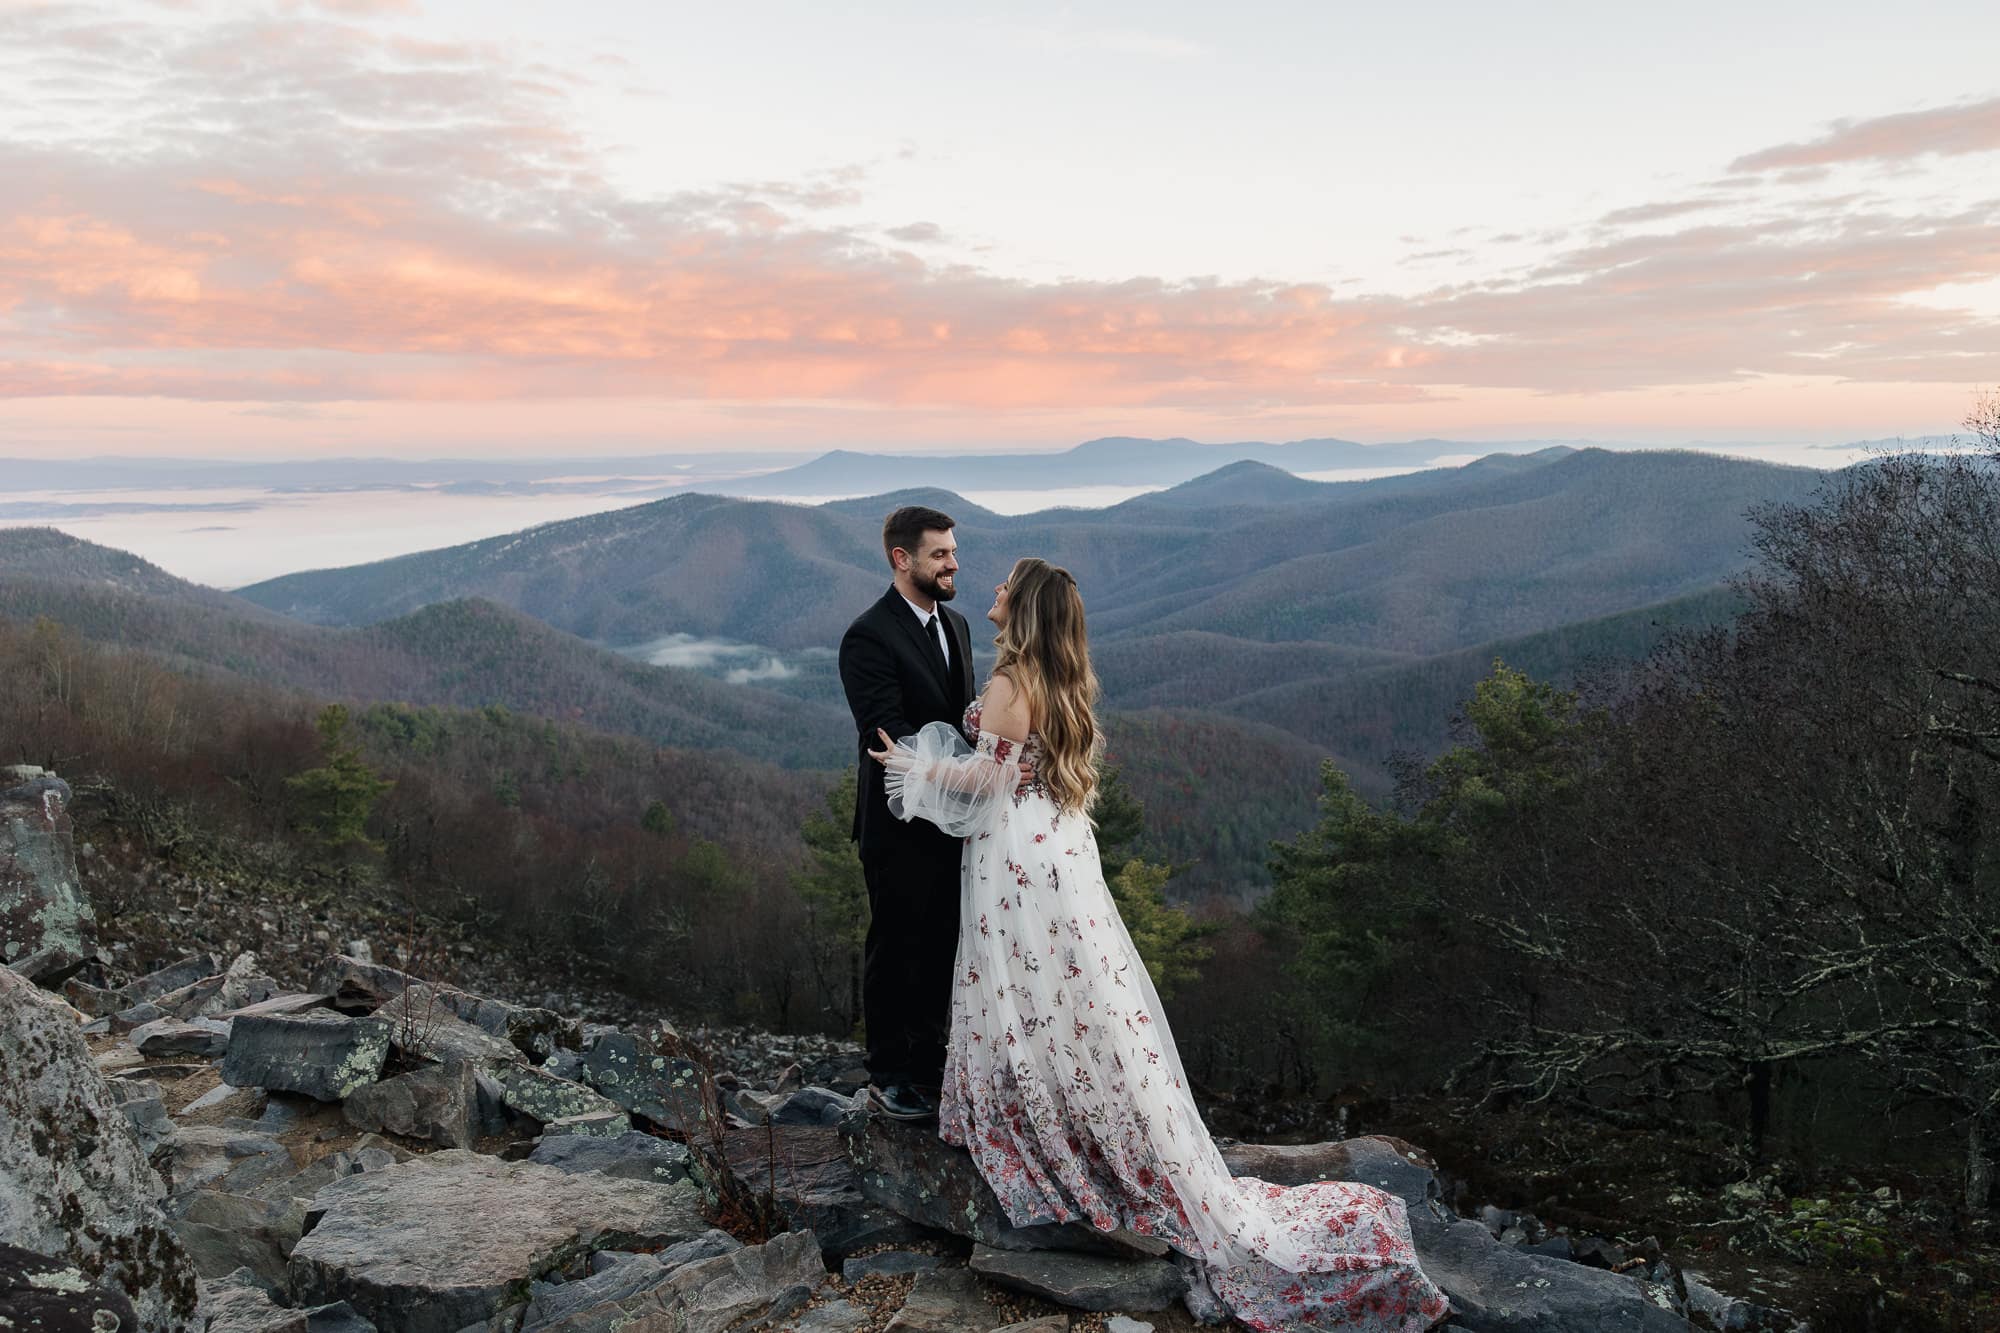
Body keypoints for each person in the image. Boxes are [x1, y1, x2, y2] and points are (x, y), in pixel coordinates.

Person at [868, 558, 1451, 1332]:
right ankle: (1084, 1110)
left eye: (1008, 585)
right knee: (1071, 989)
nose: (994, 591)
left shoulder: (1014, 681)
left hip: (1017, 854)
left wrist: (913, 767)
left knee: (1024, 983)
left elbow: (989, 781)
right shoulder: (1059, 677)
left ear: (1026, 609)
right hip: (1059, 844)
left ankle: (1043, 1121)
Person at [838, 505, 978, 1122]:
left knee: (944, 944)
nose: (953, 563)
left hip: (957, 821)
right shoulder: (868, 636)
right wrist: (968, 776)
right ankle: (889, 1075)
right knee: (896, 946)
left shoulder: (960, 625)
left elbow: (964, 719)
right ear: (903, 559)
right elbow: (887, 739)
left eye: (952, 551)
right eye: (940, 554)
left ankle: (931, 1067)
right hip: (898, 827)